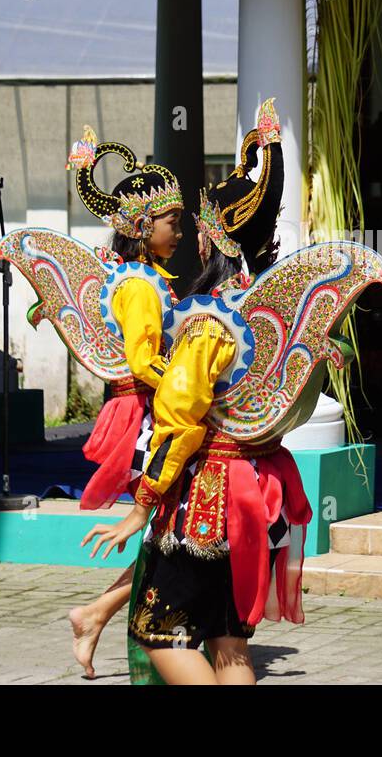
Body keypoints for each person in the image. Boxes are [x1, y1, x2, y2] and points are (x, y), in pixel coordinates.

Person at [81, 98, 313, 685]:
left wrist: (142, 505)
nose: (191, 239)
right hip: (262, 491)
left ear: (216, 241)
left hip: (208, 495)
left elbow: (182, 414)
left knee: (160, 631)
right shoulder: (269, 313)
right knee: (230, 644)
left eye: (198, 228)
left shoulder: (211, 322)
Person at [58, 129, 184, 679]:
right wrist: (185, 383)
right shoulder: (138, 285)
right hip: (149, 418)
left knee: (171, 535)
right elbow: (141, 361)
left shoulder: (154, 278)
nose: (179, 230)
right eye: (171, 221)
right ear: (141, 226)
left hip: (160, 412)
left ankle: (94, 614)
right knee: (171, 537)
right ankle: (100, 617)